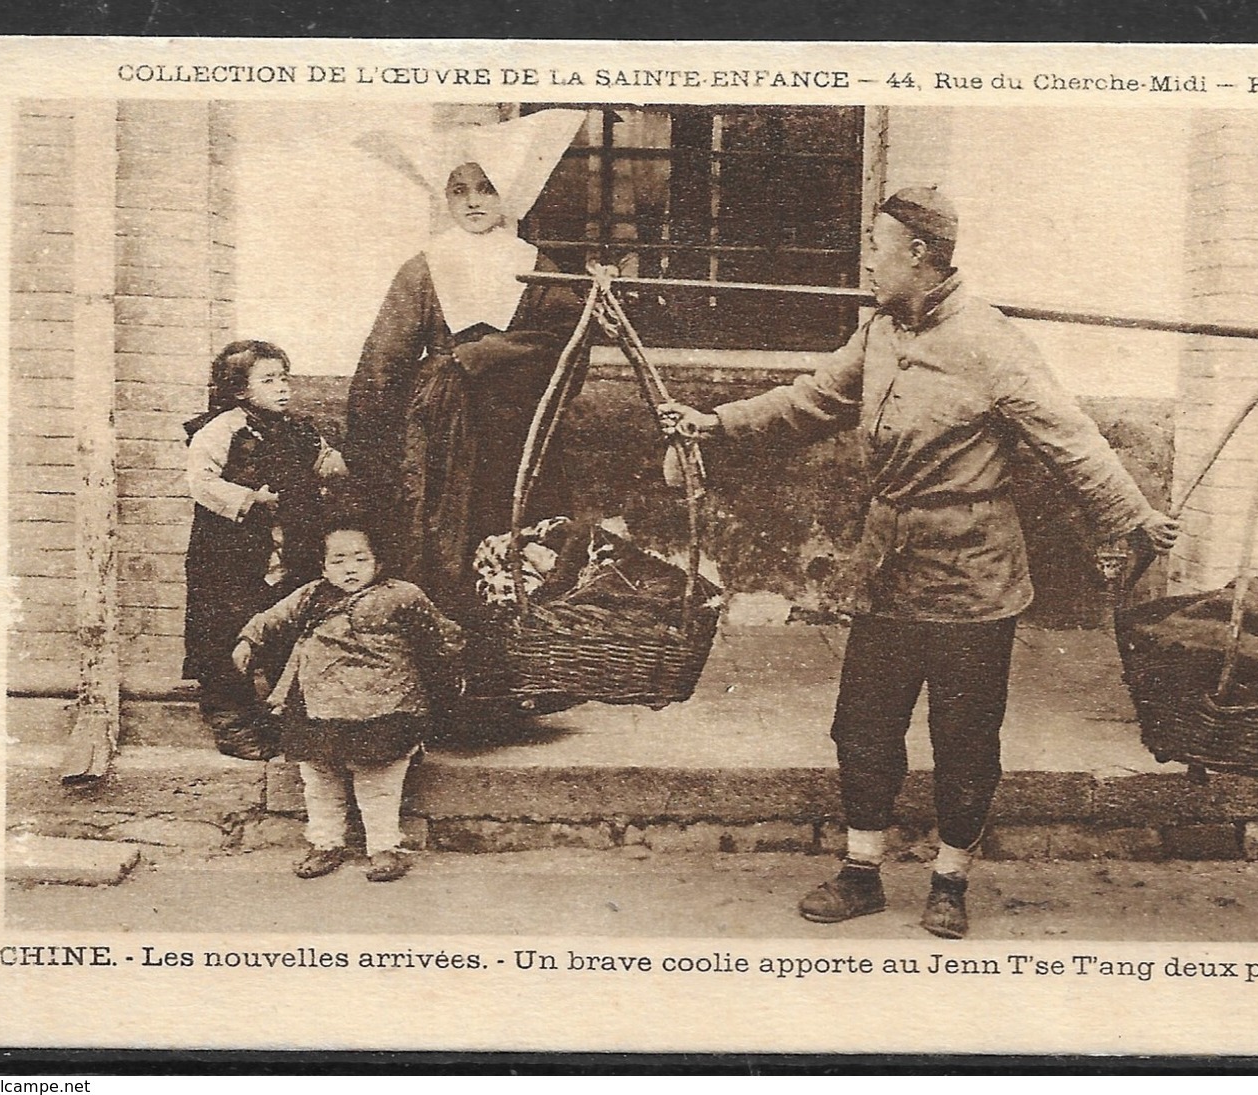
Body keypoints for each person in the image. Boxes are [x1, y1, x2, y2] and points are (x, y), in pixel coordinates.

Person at [658, 187, 1181, 939]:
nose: (866, 260)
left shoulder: (991, 341)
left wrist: (1134, 515)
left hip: (974, 577)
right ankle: (861, 870)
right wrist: (714, 424)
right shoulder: (878, 335)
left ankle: (949, 878)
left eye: (877, 245)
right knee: (862, 726)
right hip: (885, 572)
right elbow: (808, 402)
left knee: (964, 735)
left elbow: (1070, 439)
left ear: (919, 255)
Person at [344, 110, 587, 629]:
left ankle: (508, 672)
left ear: (509, 195)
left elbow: (567, 344)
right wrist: (368, 442)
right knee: (438, 535)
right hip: (438, 429)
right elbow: (383, 360)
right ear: (445, 198)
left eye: (485, 188)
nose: (473, 200)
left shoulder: (536, 265)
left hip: (514, 427)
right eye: (459, 190)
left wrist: (486, 355)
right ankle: (444, 663)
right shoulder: (424, 267)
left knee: (510, 537)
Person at [233, 521, 467, 882]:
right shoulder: (310, 595)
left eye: (360, 558)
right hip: (317, 704)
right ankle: (326, 844)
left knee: (378, 779)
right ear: (324, 567)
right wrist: (248, 640)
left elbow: (442, 635)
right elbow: (272, 618)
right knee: (320, 777)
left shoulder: (402, 595)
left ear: (378, 562)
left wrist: (453, 665)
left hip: (384, 703)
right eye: (339, 560)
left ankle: (384, 847)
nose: (350, 568)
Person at [182, 339, 346, 761]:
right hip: (230, 552)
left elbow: (325, 460)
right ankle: (232, 723)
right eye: (269, 380)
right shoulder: (220, 430)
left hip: (287, 549)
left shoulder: (298, 430)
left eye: (284, 378)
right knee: (225, 628)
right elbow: (201, 482)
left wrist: (335, 465)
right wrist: (251, 499)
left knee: (283, 625)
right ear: (239, 390)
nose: (282, 388)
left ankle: (278, 721)